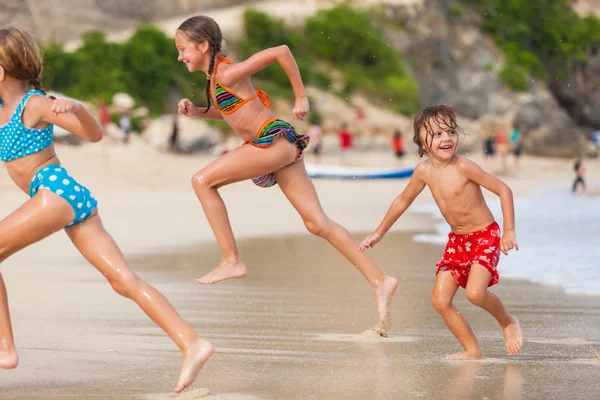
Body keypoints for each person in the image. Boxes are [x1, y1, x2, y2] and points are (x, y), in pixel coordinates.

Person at [0, 27, 212, 393]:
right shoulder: (5, 108)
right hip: (67, 196)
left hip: (53, 191)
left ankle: (5, 348)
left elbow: (94, 135)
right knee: (123, 281)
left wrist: (78, 108)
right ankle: (191, 342)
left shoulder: (34, 103)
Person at [175, 16, 397, 332]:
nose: (180, 56)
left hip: (271, 142)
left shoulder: (227, 72)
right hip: (280, 145)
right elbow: (230, 111)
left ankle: (231, 260)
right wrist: (198, 111)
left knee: (202, 181)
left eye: (183, 49)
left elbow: (281, 51)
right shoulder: (216, 79)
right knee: (317, 223)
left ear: (203, 45)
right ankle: (380, 280)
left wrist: (300, 96)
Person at [359, 105, 523, 359]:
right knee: (439, 300)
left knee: (475, 294)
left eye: (450, 132)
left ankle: (508, 322)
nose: (446, 138)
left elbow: (503, 190)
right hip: (458, 242)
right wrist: (380, 232)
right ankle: (472, 350)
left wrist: (509, 231)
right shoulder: (423, 172)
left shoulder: (464, 166)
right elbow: (403, 200)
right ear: (421, 143)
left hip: (485, 236)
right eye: (436, 134)